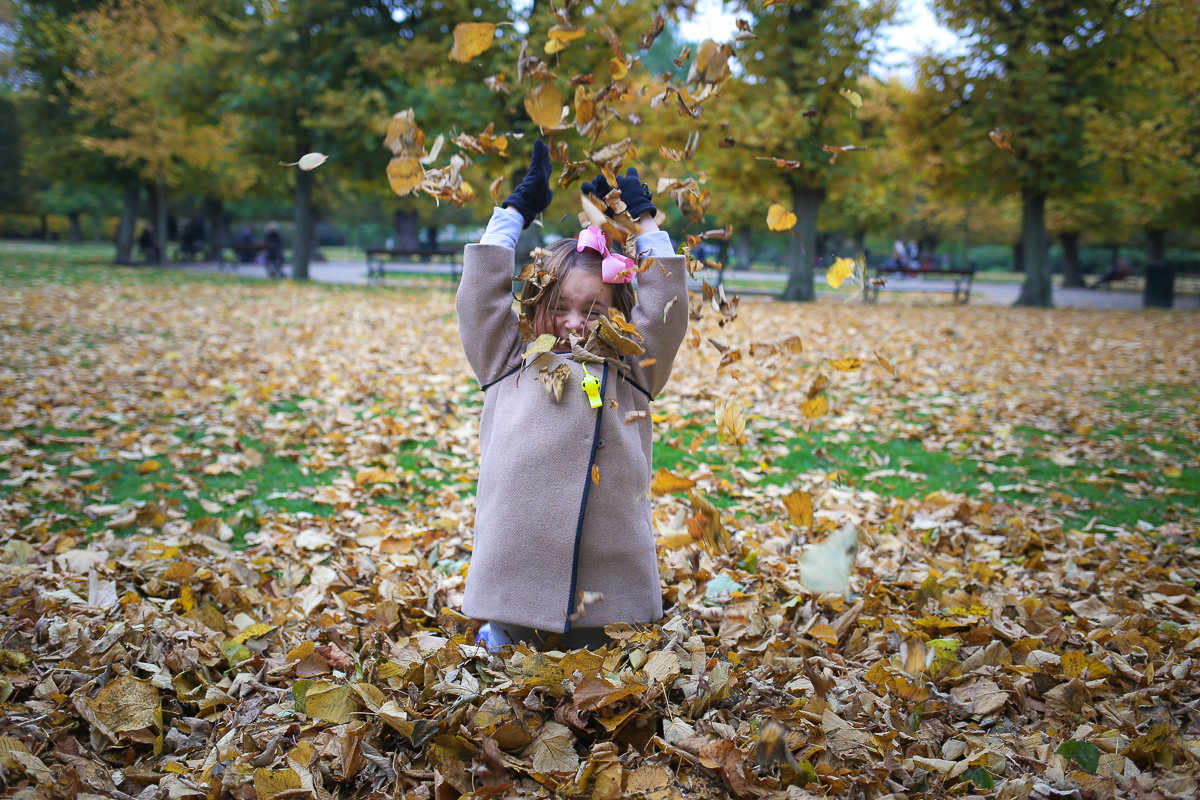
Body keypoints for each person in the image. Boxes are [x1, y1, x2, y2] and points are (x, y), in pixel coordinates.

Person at [457, 141, 688, 650]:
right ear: (538, 301)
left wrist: (644, 223)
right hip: (514, 583)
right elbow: (479, 295)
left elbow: (666, 309)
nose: (575, 324)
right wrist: (515, 212)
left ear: (620, 313)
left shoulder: (630, 368)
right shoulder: (508, 359)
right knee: (506, 673)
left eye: (595, 310)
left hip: (608, 602)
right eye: (560, 306)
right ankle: (501, 635)